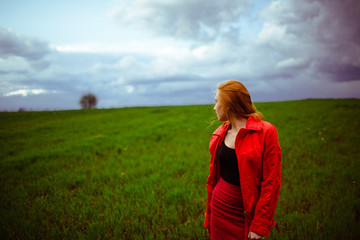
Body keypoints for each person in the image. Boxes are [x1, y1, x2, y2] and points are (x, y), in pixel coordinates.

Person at [204, 80, 281, 240]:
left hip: (246, 212)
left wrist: (259, 225)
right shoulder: (219, 133)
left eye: (216, 102)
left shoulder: (266, 132)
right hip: (219, 208)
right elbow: (212, 180)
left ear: (229, 105)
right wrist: (209, 217)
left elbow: (271, 182)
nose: (214, 107)